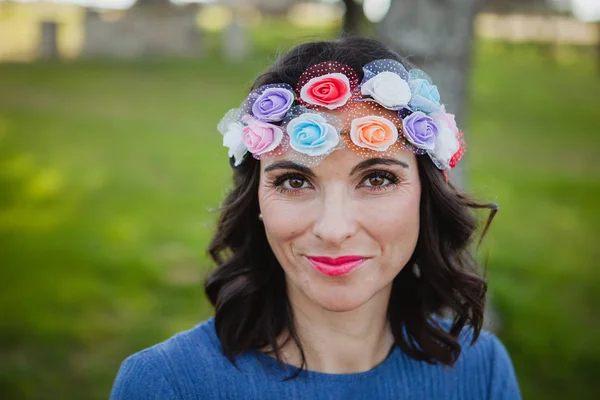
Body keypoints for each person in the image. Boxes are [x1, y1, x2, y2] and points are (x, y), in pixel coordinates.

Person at [110, 37, 521, 400]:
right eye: (294, 181)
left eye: (377, 178)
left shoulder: (481, 370)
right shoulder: (165, 385)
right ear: (256, 199)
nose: (334, 229)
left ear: (425, 196)